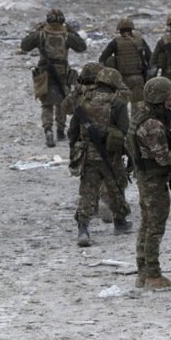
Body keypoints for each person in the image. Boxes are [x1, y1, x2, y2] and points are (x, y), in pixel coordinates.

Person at [67, 67, 132, 246]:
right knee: (116, 188)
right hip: (111, 156)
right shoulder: (117, 103)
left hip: (88, 155)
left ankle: (83, 228)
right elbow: (124, 130)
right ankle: (120, 222)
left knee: (88, 191)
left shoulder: (83, 101)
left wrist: (74, 149)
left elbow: (73, 130)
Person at [128, 76, 171, 290]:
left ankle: (143, 272)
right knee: (154, 228)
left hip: (145, 178)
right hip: (153, 180)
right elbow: (163, 157)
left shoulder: (142, 115)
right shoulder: (152, 124)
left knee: (147, 225)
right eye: (168, 97)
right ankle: (153, 275)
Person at [20, 8, 87, 147]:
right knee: (62, 101)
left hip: (44, 73)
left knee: (46, 104)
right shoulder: (67, 35)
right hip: (63, 72)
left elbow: (24, 46)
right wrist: (72, 31)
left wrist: (36, 30)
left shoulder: (41, 35)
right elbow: (82, 47)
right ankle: (61, 131)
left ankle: (48, 129)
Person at [99, 16, 151, 110]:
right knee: (138, 108)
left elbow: (102, 59)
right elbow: (150, 58)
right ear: (132, 29)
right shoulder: (140, 40)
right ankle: (136, 125)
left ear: (119, 30)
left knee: (121, 108)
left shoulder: (115, 42)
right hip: (138, 79)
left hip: (121, 79)